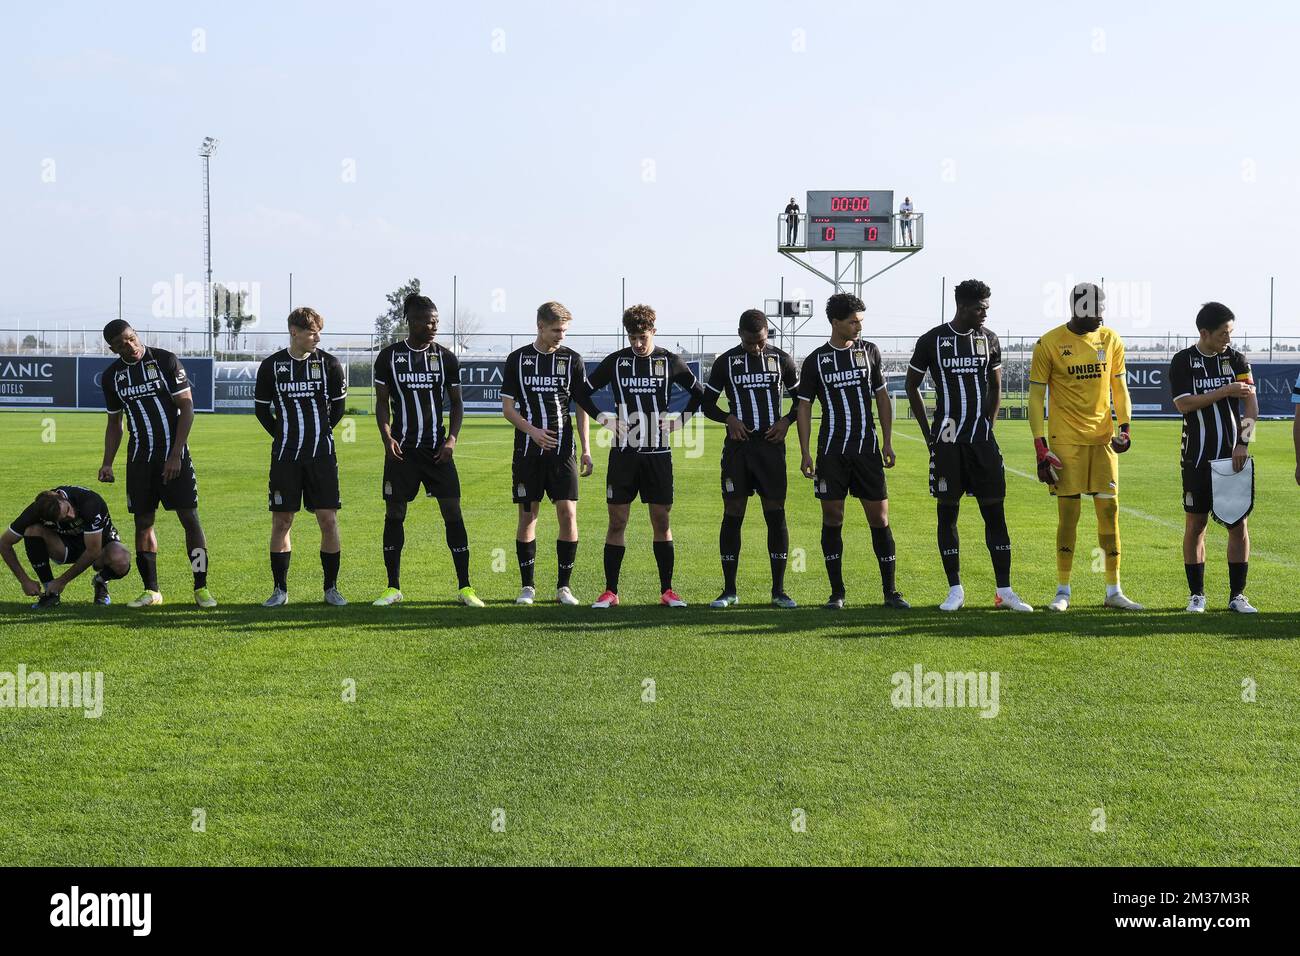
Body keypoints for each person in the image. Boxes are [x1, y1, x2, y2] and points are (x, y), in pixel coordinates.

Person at [572, 304, 721, 608]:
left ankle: (667, 591)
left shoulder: (670, 361)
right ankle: (610, 592)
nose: (638, 344)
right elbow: (581, 392)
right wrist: (604, 418)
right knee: (616, 522)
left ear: (654, 330)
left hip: (658, 454)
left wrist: (681, 420)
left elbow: (700, 393)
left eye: (642, 336)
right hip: (623, 456)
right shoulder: (616, 362)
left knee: (661, 521)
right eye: (632, 337)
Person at [905, 280, 1032, 612]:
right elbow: (911, 385)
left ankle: (1004, 590)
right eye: (980, 308)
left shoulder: (988, 340)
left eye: (987, 307)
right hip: (946, 441)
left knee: (995, 513)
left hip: (981, 441)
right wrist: (927, 432)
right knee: (948, 512)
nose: (985, 314)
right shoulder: (932, 340)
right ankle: (955, 589)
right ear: (962, 307)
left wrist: (988, 426)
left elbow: (995, 385)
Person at [1029, 282, 1142, 611]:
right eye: (1095, 309)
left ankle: (1113, 591)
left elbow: (1119, 387)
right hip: (1065, 442)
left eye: (1103, 308)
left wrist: (1125, 427)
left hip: (1103, 440)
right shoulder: (1049, 343)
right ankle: (1063, 590)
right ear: (1077, 308)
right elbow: (1036, 398)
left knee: (1110, 513)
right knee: (1069, 516)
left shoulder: (1110, 339)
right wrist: (1040, 446)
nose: (1101, 315)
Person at [795, 292, 909, 610]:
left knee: (880, 517)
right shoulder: (816, 360)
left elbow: (882, 398)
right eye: (853, 321)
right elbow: (803, 407)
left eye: (860, 321)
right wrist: (805, 453)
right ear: (835, 323)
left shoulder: (869, 352)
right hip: (831, 452)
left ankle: (891, 591)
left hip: (867, 451)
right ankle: (837, 593)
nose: (858, 326)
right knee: (833, 517)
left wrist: (887, 441)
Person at [372, 294, 483, 607]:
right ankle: (392, 587)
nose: (433, 326)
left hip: (438, 452)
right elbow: (381, 403)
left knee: (453, 513)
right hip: (402, 452)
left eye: (436, 321)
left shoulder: (445, 357)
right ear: (411, 321)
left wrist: (452, 440)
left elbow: (458, 403)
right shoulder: (389, 357)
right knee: (395, 513)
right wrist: (386, 437)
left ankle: (466, 588)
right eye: (427, 321)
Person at [97, 319, 215, 608]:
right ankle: (152, 591)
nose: (131, 345)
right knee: (143, 522)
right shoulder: (112, 377)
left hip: (174, 455)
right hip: (139, 459)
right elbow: (115, 423)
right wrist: (107, 463)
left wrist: (176, 454)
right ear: (112, 348)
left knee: (190, 519)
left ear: (136, 335)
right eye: (122, 343)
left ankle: (201, 588)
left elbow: (186, 407)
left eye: (132, 338)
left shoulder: (164, 360)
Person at [700, 309, 800, 609]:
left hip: (770, 448)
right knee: (733, 512)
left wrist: (786, 421)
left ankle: (779, 590)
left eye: (761, 341)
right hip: (738, 449)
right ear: (739, 334)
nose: (756, 347)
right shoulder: (726, 362)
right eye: (750, 342)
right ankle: (729, 590)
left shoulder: (781, 359)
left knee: (775, 512)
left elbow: (803, 400)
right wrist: (729, 418)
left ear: (767, 333)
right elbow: (707, 404)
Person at [500, 301, 594, 606]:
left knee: (568, 514)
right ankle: (527, 587)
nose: (561, 336)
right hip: (527, 452)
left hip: (563, 452)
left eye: (565, 331)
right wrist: (533, 432)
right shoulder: (517, 360)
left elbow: (581, 408)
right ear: (540, 326)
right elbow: (508, 409)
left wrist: (587, 450)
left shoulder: (573, 360)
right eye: (556, 330)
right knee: (528, 516)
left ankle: (563, 587)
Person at [254, 307, 348, 607]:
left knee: (328, 520)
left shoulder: (331, 365)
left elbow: (338, 410)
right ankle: (279, 590)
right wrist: (284, 436)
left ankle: (331, 588)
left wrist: (317, 434)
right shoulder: (271, 366)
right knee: (282, 522)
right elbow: (262, 411)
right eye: (311, 332)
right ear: (293, 331)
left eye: (319, 331)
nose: (317, 337)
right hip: (285, 457)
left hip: (321, 456)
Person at [1170, 302, 1258, 613]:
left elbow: (1251, 406)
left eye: (1231, 333)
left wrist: (1243, 444)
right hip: (1196, 456)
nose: (1228, 339)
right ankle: (1197, 596)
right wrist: (1223, 391)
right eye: (1224, 333)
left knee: (1238, 524)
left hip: (1232, 457)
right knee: (1196, 524)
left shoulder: (1236, 359)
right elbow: (1184, 404)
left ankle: (1237, 596)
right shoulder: (1182, 361)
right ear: (1204, 333)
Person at [1, 486, 131, 609]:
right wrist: (24, 580)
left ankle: (101, 581)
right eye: (63, 518)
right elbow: (4, 543)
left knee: (121, 559)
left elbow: (93, 551)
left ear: (61, 496)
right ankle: (50, 592)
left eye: (68, 510)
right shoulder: (35, 512)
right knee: (32, 530)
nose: (71, 516)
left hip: (99, 545)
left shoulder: (90, 502)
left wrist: (62, 581)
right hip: (66, 546)